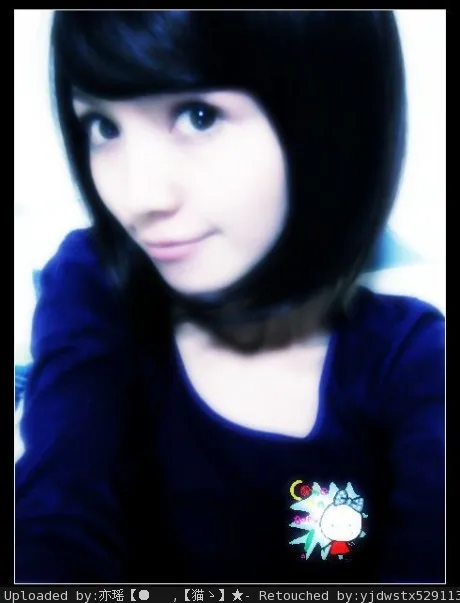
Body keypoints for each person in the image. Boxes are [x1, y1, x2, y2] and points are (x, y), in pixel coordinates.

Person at [15, 10, 445, 584]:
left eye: (199, 115)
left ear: (331, 116)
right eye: (103, 127)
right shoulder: (97, 281)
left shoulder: (413, 361)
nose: (137, 197)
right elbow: (58, 511)